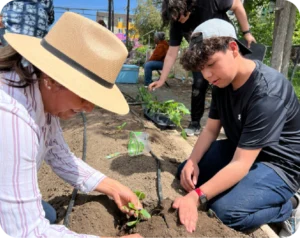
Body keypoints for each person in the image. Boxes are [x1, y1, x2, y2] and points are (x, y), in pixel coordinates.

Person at [0, 12, 143, 238]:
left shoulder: (38, 92)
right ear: (53, 78)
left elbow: (57, 153)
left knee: (46, 213)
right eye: (84, 96)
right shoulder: (12, 117)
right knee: (43, 218)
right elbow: (26, 233)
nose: (89, 109)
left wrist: (113, 186)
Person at [173, 19, 300, 237]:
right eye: (201, 69)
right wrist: (193, 161)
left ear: (233, 48)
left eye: (211, 64)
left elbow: (241, 164)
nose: (207, 76)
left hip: (279, 165)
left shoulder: (267, 93)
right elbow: (211, 130)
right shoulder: (222, 82)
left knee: (224, 211)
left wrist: (197, 197)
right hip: (242, 150)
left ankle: (288, 205)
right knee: (186, 173)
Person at [149, 0, 256, 137]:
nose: (179, 21)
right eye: (174, 19)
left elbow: (237, 5)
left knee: (232, 84)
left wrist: (246, 32)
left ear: (186, 6)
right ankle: (195, 123)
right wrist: (162, 79)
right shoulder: (176, 23)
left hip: (224, 50)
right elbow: (171, 53)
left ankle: (241, 123)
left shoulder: (208, 2)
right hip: (201, 55)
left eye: (180, 16)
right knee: (198, 84)